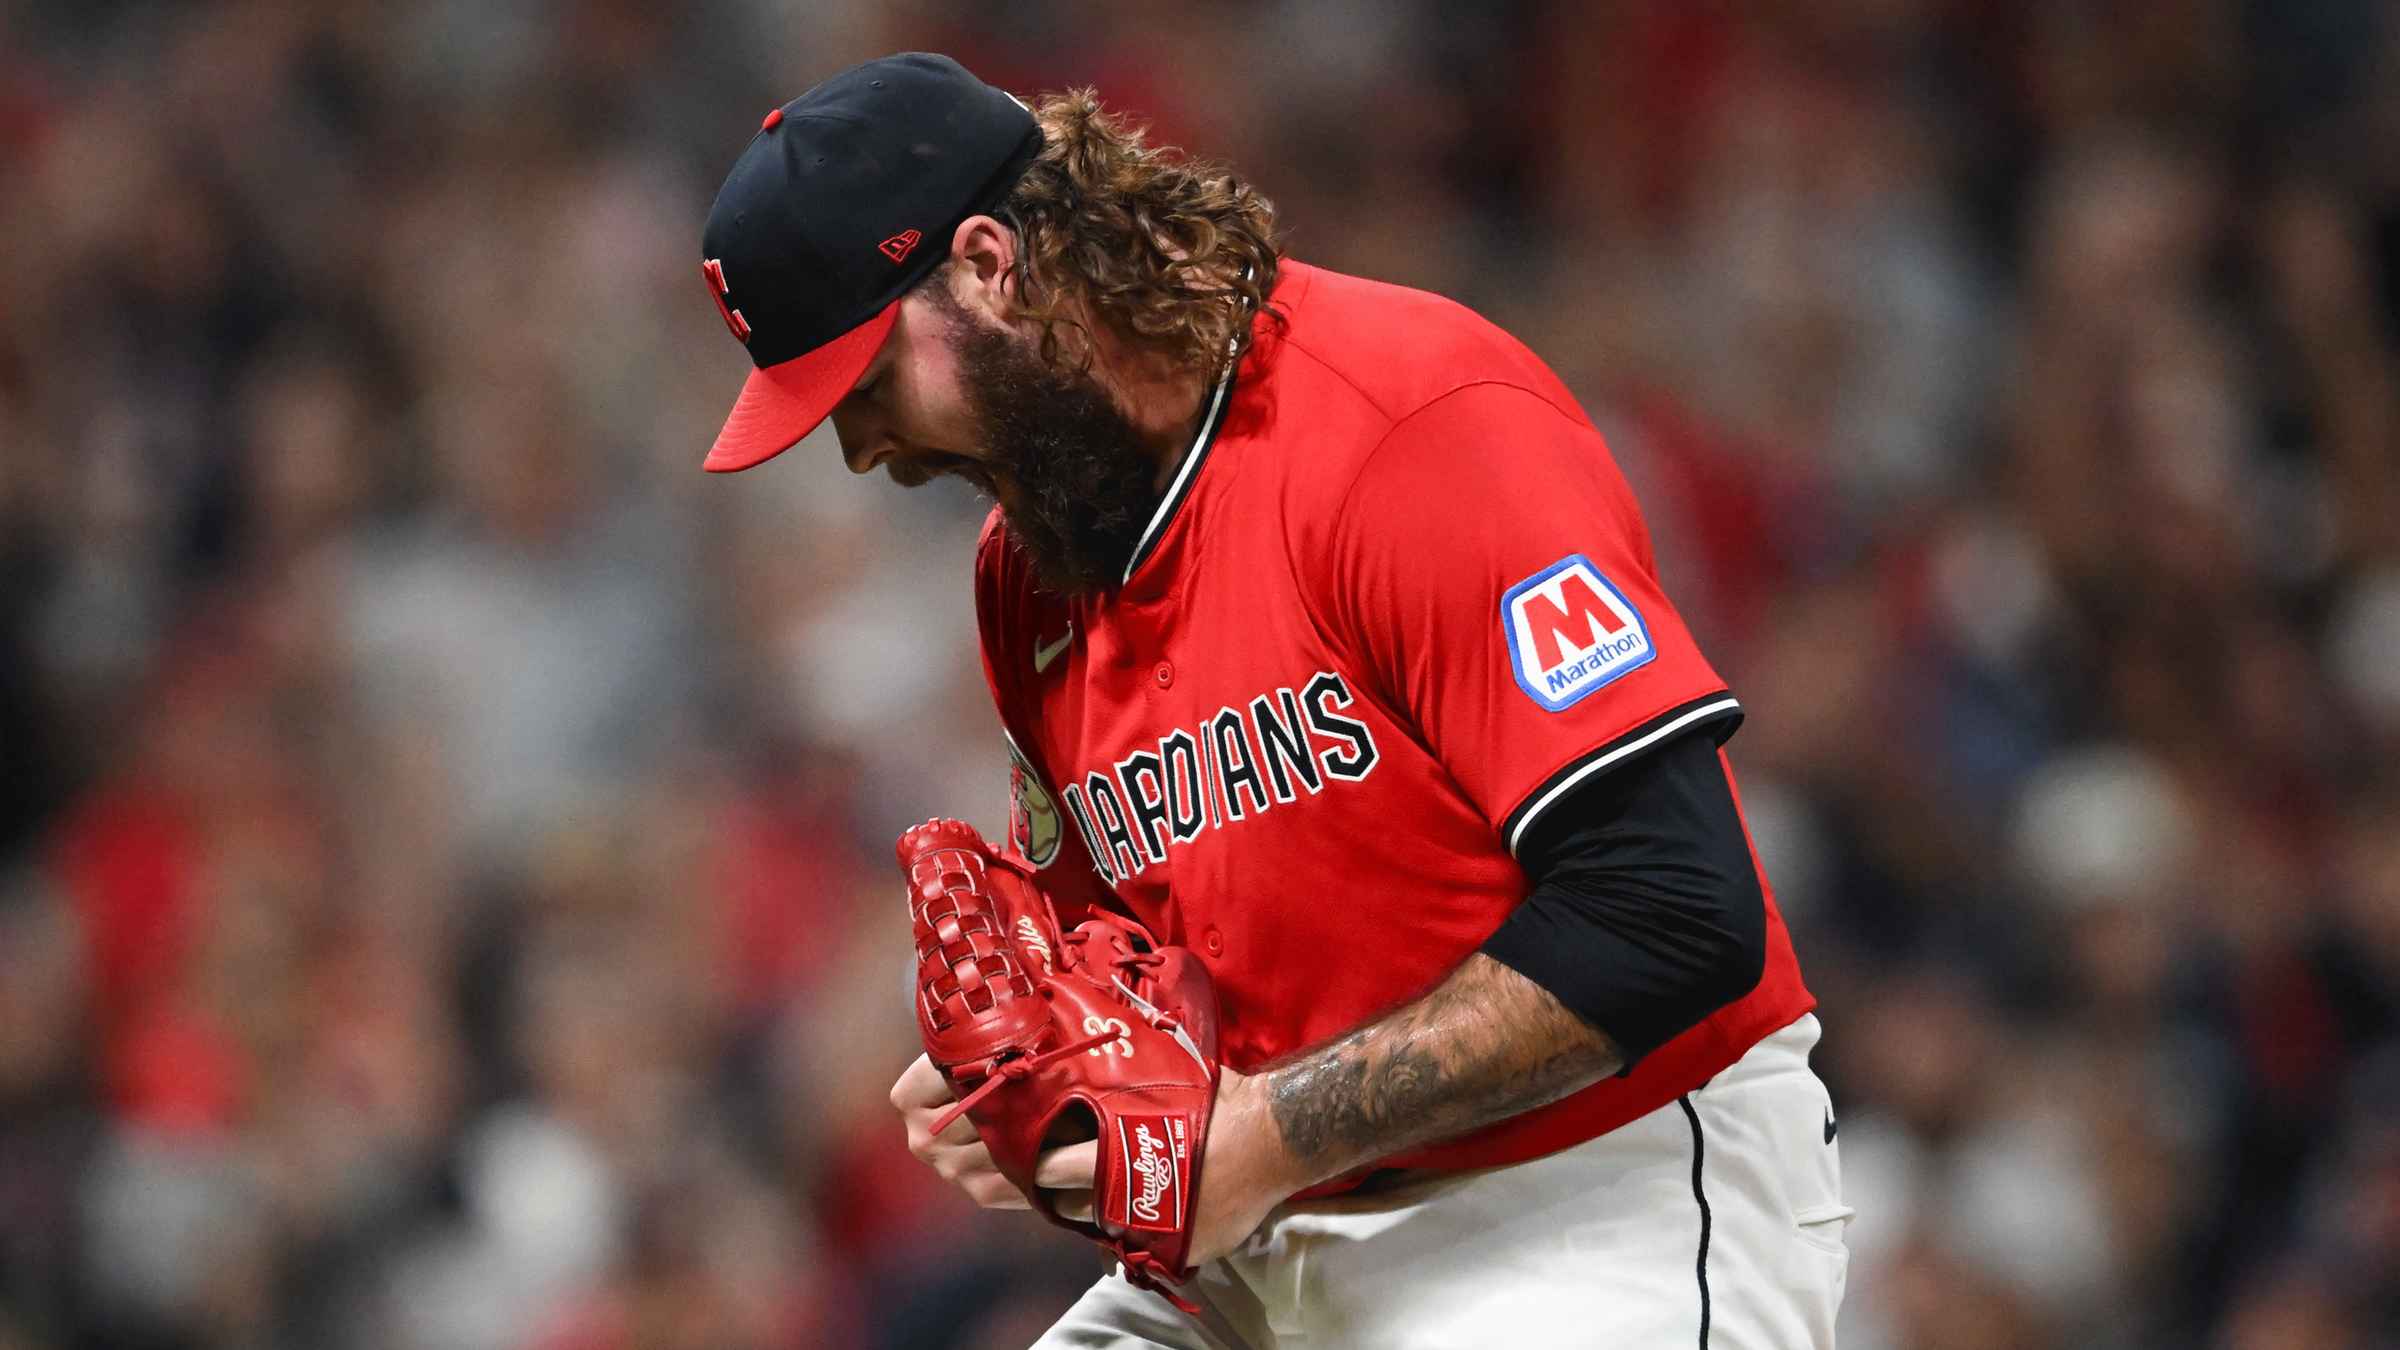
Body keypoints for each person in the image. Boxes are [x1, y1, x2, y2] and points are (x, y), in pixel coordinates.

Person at [696, 52, 1849, 1349]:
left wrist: (1264, 1136)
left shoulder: (1406, 424)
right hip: (1276, 1232)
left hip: (1596, 1189)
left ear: (988, 266)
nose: (862, 449)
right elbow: (1140, 984)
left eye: (864, 384)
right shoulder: (1032, 570)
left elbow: (1676, 909)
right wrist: (1051, 1082)